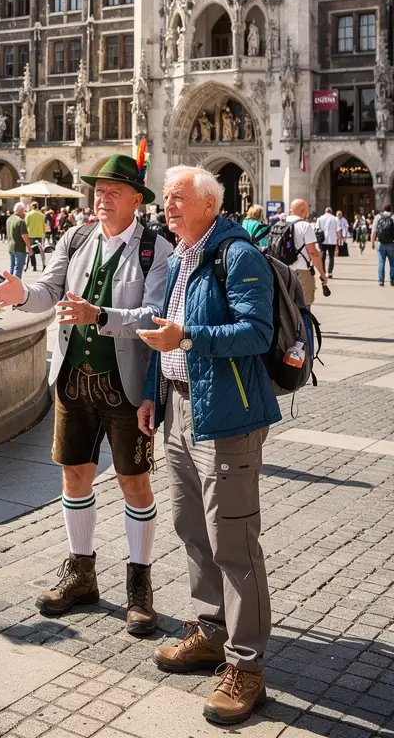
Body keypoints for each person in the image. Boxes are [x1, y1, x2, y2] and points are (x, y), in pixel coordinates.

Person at [0, 155, 171, 633]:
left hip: (126, 386)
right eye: (98, 191)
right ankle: (81, 574)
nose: (102, 198)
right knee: (74, 476)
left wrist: (100, 316)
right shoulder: (76, 237)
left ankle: (139, 587)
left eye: (112, 191)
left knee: (134, 482)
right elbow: (50, 290)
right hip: (74, 380)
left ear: (135, 199)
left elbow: (154, 318)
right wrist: (21, 294)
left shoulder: (157, 250)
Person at [138, 166, 281, 726]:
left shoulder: (237, 254)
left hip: (226, 415)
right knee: (190, 526)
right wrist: (154, 393)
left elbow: (257, 332)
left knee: (234, 541)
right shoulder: (180, 256)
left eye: (177, 199)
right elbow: (163, 333)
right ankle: (211, 630)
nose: (168, 207)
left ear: (208, 204)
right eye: (168, 199)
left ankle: (247, 665)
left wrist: (191, 338)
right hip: (177, 406)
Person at [284, 198, 328, 307]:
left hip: (283, 270)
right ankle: (304, 324)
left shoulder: (280, 224)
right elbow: (313, 252)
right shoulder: (305, 226)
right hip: (301, 270)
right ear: (303, 210)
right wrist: (322, 274)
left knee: (287, 306)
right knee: (304, 306)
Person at [371, 202, 394, 286]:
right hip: (391, 243)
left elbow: (373, 232)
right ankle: (392, 280)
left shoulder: (377, 217)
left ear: (383, 209)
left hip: (380, 243)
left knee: (381, 262)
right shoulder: (393, 217)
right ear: (390, 208)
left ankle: (381, 281)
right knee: (392, 263)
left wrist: (372, 243)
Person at [6, 203, 30, 279]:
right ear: (21, 210)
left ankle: (9, 284)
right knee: (18, 269)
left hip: (10, 246)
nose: (24, 213)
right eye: (24, 211)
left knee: (12, 267)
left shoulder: (9, 219)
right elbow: (24, 235)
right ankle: (15, 286)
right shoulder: (21, 221)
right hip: (19, 247)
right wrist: (29, 247)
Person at [316, 206, 339, 275]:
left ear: (325, 211)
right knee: (331, 256)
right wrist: (340, 238)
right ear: (331, 212)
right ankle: (330, 272)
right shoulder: (335, 219)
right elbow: (338, 230)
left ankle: (323, 271)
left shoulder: (320, 218)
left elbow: (317, 229)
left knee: (323, 256)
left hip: (323, 240)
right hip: (332, 240)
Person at [25, 200, 46, 272]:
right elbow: (44, 225)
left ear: (32, 206)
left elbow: (25, 224)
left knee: (31, 251)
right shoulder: (41, 215)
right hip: (39, 235)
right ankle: (43, 265)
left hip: (31, 234)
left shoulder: (29, 214)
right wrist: (44, 234)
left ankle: (34, 266)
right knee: (40, 251)